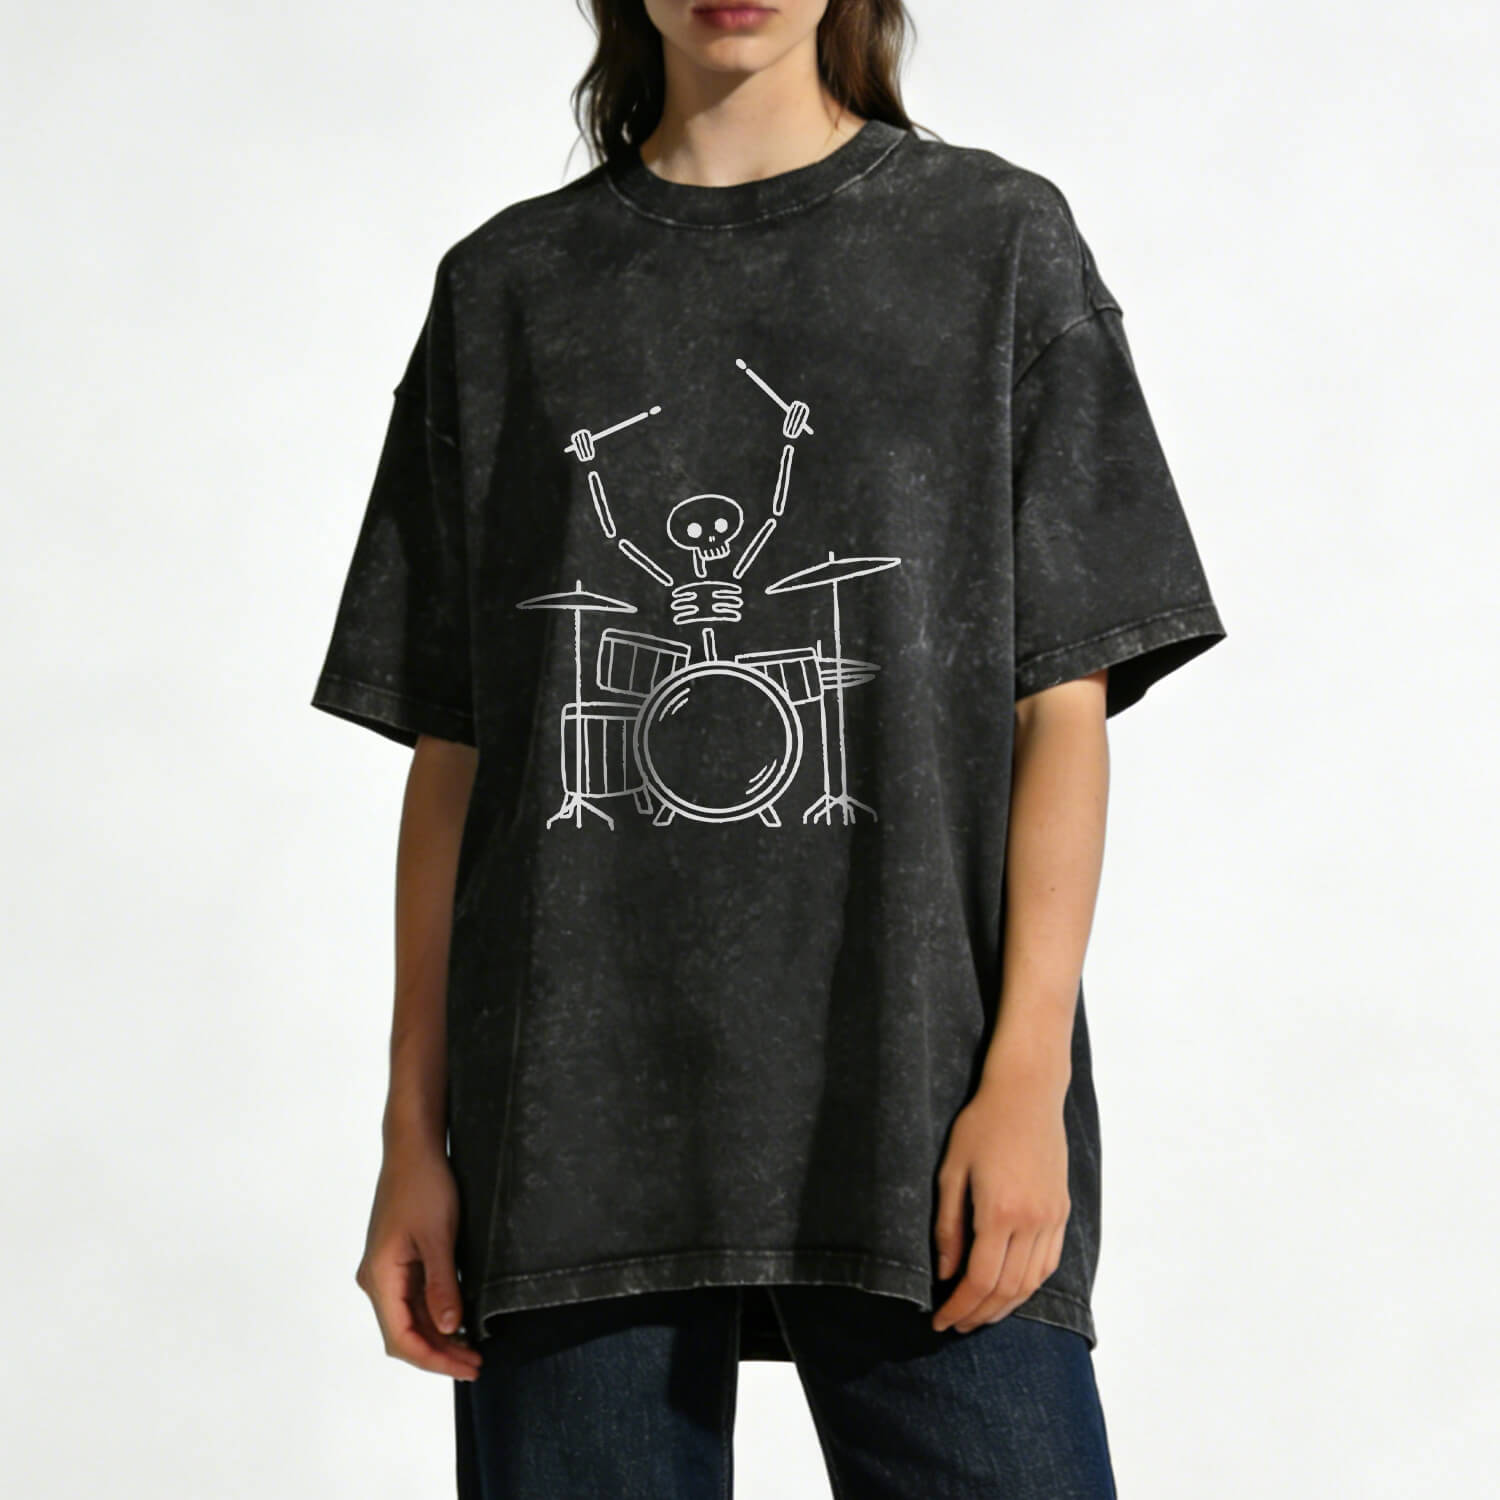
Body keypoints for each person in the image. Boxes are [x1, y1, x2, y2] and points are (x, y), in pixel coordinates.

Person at [309, 2, 1228, 1495]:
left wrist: (1025, 1079)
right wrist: (414, 1134)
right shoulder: (507, 288)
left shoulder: (995, 244)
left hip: (919, 1094)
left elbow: (1058, 705)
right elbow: (457, 757)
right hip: (567, 1129)